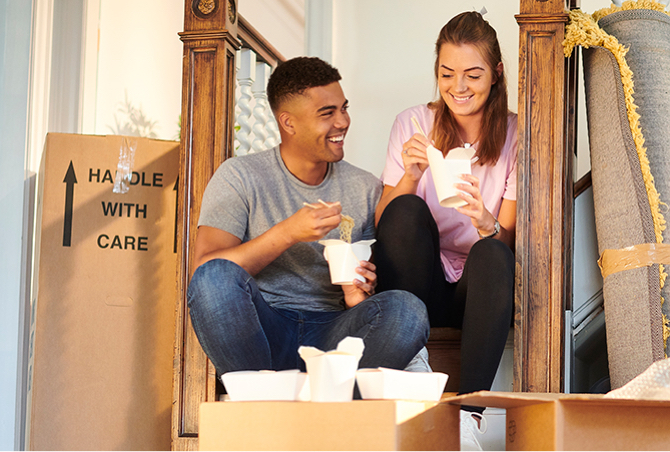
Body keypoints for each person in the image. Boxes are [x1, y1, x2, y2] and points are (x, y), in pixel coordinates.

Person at [187, 56, 429, 383]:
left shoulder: (364, 187)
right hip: (264, 332)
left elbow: (369, 289)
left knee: (407, 310)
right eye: (327, 113)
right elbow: (204, 267)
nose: (343, 122)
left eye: (344, 108)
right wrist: (288, 233)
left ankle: (325, 410)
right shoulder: (239, 176)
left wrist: (358, 293)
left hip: (334, 337)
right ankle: (263, 398)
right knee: (213, 279)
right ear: (289, 123)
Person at [374, 11, 516, 451]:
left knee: (492, 251)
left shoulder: (517, 133)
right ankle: (413, 363)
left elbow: (508, 238)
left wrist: (486, 221)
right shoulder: (413, 123)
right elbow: (385, 225)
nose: (459, 87)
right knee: (406, 208)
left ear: (495, 74)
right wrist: (410, 175)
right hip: (420, 284)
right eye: (447, 73)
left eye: (473, 74)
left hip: (474, 292)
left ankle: (470, 415)